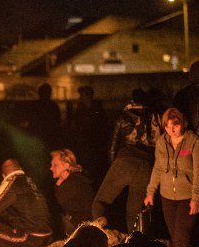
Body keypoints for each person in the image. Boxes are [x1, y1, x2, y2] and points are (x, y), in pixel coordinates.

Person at [145, 107, 199, 247]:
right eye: (168, 126)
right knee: (176, 238)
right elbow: (157, 167)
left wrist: (196, 197)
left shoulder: (194, 142)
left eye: (175, 125)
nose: (172, 129)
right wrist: (150, 192)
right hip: (167, 197)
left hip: (187, 197)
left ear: (182, 123)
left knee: (181, 238)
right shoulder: (162, 142)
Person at [92, 89, 157, 233]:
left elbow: (112, 145)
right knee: (134, 213)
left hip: (125, 160)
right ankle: (135, 246)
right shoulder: (154, 116)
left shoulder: (123, 116)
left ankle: (100, 235)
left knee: (99, 202)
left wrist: (113, 165)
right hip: (145, 164)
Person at [64, 84, 108, 183]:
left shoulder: (97, 112)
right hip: (84, 148)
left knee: (95, 173)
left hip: (94, 148)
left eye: (82, 95)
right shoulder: (81, 111)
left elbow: (101, 130)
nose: (80, 98)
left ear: (88, 96)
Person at [49, 148, 95, 235]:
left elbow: (54, 205)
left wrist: (58, 184)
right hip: (87, 225)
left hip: (84, 228)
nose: (51, 168)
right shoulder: (77, 177)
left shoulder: (71, 183)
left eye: (55, 165)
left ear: (66, 165)